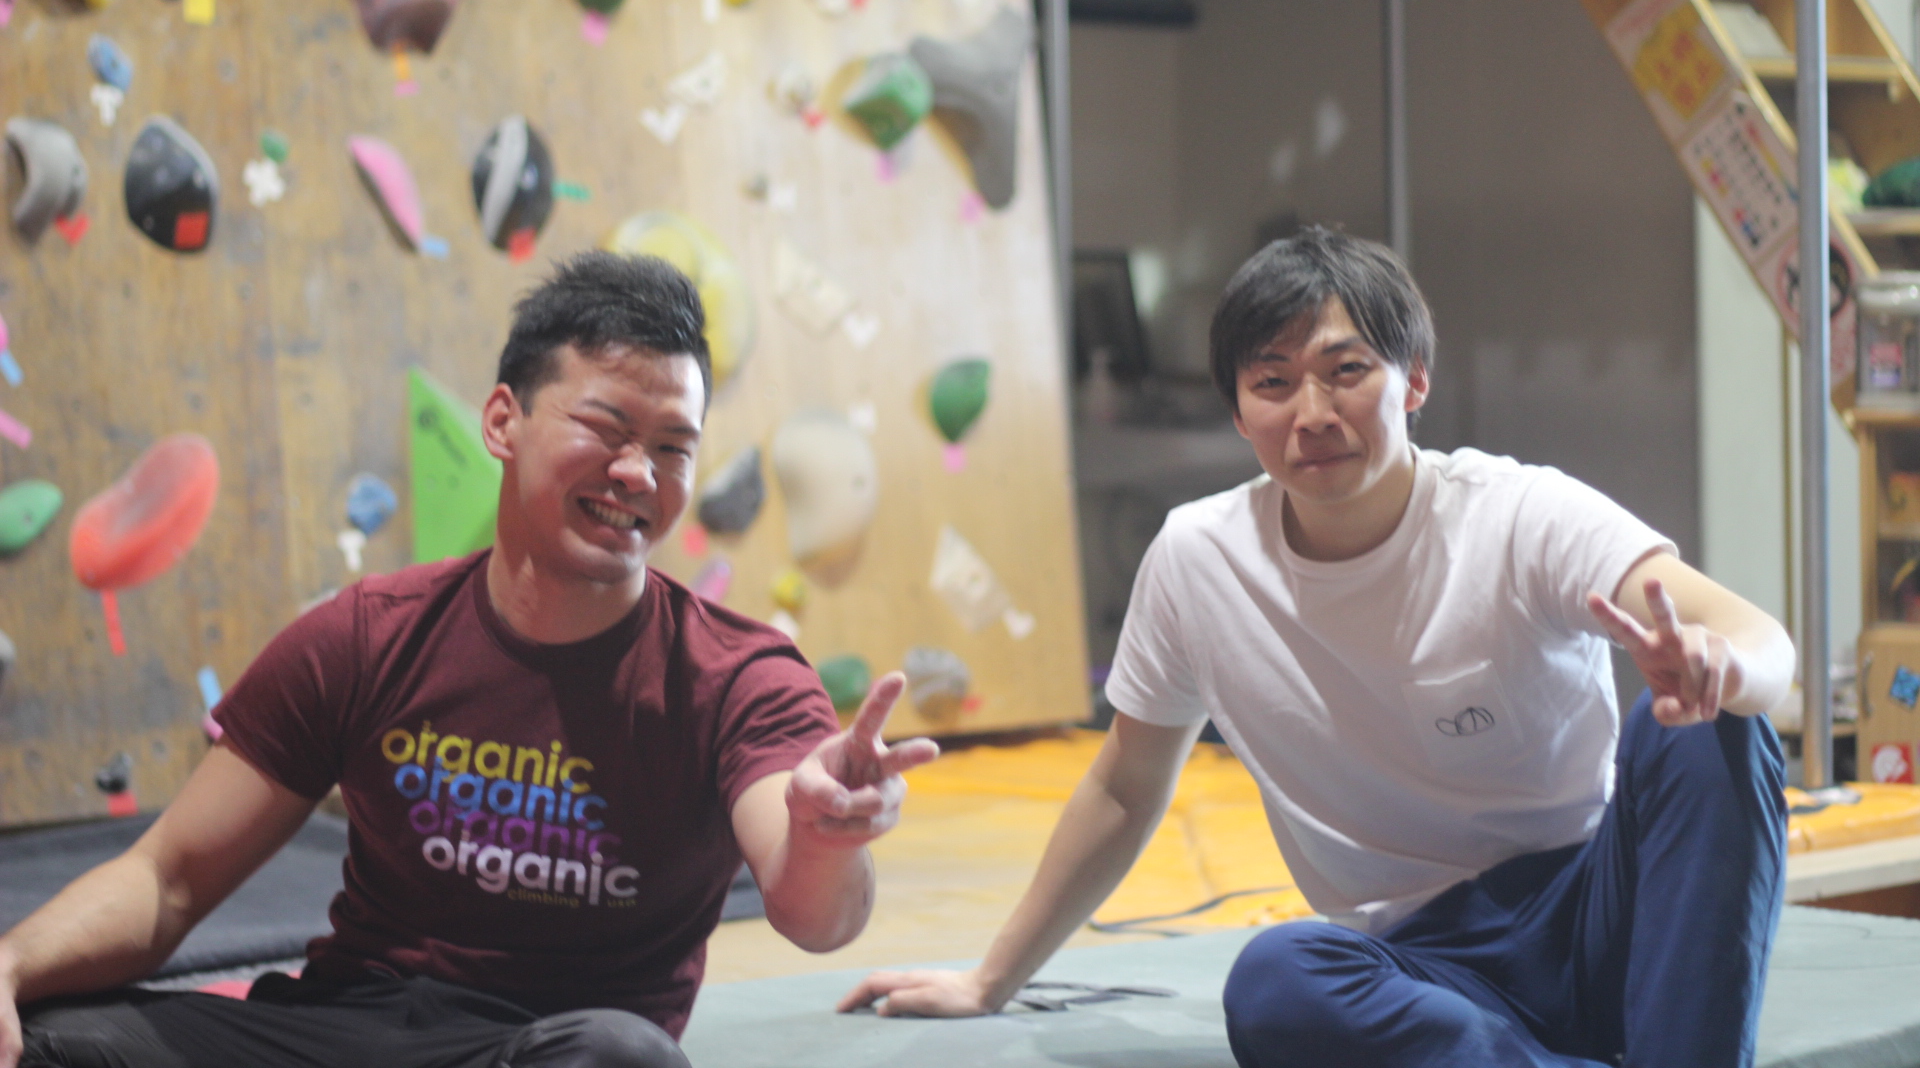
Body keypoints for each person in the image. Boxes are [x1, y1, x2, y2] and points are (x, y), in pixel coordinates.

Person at [842, 228, 1794, 1068]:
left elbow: (1762, 640)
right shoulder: (1198, 559)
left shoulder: (1519, 514)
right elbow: (1125, 787)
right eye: (1273, 382)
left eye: (1347, 371)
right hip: (1417, 965)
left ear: (1414, 380)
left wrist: (1728, 667)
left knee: (1716, 725)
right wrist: (992, 980)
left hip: (1598, 914)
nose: (1312, 412)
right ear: (1237, 411)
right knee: (1277, 980)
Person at [2, 251, 937, 1068]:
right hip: (341, 1033)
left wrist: (827, 836)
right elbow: (166, 880)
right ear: (502, 423)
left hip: (547, 1050)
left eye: (671, 448)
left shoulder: (738, 678)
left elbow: (819, 918)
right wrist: (5, 968)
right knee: (51, 1037)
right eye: (606, 428)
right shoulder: (367, 636)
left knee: (620, 1057)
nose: (638, 473)